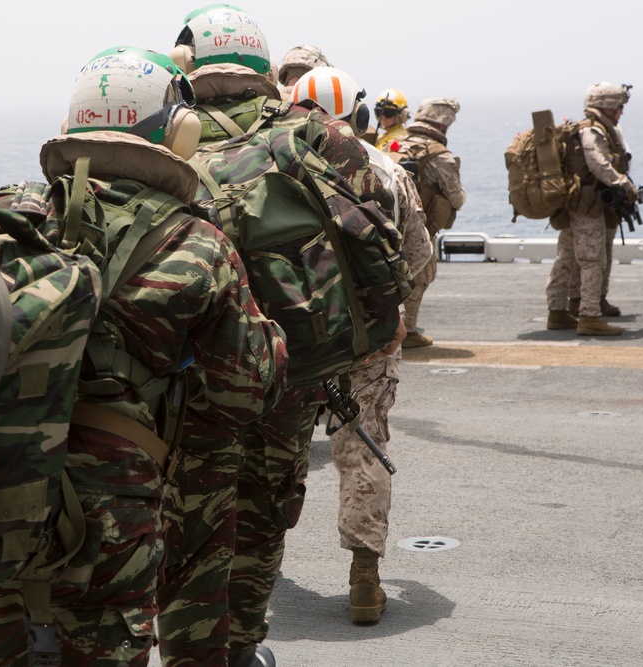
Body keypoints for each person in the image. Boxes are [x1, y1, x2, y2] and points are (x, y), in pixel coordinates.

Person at [0, 46, 289, 666]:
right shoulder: (196, 243)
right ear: (179, 129)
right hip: (109, 510)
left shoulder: (6, 220)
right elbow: (244, 392)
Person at [160, 7, 407, 666]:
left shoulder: (159, 146)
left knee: (191, 513)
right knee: (265, 506)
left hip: (191, 378)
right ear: (261, 70)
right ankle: (241, 644)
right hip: (293, 368)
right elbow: (379, 233)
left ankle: (188, 647)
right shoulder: (318, 135)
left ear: (193, 70)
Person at [289, 65, 433, 624]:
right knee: (363, 446)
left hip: (292, 337)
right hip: (370, 339)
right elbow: (419, 256)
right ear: (358, 114)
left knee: (279, 447)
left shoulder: (270, 162)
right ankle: (365, 579)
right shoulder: (388, 170)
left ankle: (255, 562)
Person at [546, 82, 636, 336]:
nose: (621, 112)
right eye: (618, 107)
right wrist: (624, 185)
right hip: (587, 207)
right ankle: (588, 316)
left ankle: (558, 312)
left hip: (576, 206)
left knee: (566, 259)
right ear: (607, 107)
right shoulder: (593, 131)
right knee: (592, 260)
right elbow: (598, 164)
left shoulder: (593, 129)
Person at [384, 97, 466, 348]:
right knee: (421, 276)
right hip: (420, 228)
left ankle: (388, 326)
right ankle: (406, 329)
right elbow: (457, 198)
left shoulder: (392, 145)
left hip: (387, 224)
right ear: (445, 125)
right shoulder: (441, 157)